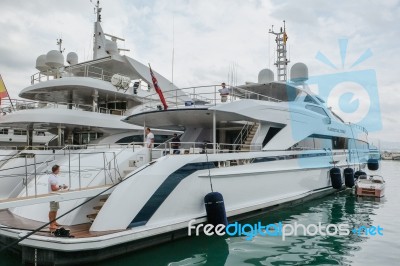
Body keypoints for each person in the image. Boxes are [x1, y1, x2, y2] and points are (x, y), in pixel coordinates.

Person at [48, 165, 67, 230]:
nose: (59, 170)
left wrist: (61, 186)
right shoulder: (52, 178)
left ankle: (54, 222)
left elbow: (55, 186)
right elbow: (53, 189)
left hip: (55, 195)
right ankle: (51, 225)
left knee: (55, 209)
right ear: (56, 170)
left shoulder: (54, 176)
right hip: (53, 195)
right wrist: (61, 187)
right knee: (52, 210)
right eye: (59, 169)